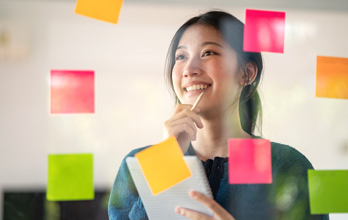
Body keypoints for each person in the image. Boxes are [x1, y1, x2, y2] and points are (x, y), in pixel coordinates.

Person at [108, 10, 329, 220]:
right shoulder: (135, 166)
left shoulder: (287, 165)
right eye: (181, 56)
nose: (189, 68)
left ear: (246, 73)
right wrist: (166, 160)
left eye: (209, 53)